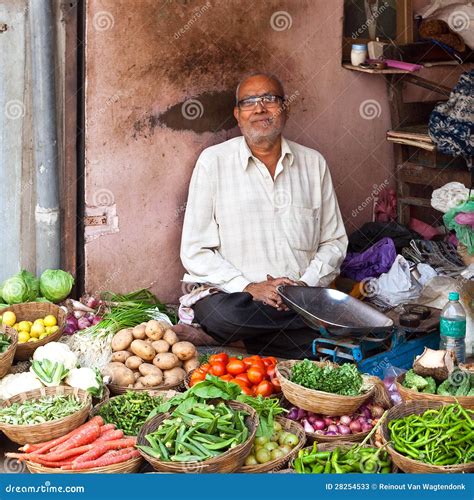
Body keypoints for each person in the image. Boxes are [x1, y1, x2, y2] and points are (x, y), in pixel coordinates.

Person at [176, 73, 348, 358]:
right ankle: (282, 339)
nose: (260, 108)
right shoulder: (213, 162)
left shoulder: (313, 163)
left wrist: (303, 286)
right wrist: (251, 287)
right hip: (238, 298)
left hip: (300, 299)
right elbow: (196, 250)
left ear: (285, 109)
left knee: (335, 313)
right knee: (224, 315)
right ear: (238, 115)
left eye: (269, 99)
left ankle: (237, 342)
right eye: (249, 102)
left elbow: (334, 242)